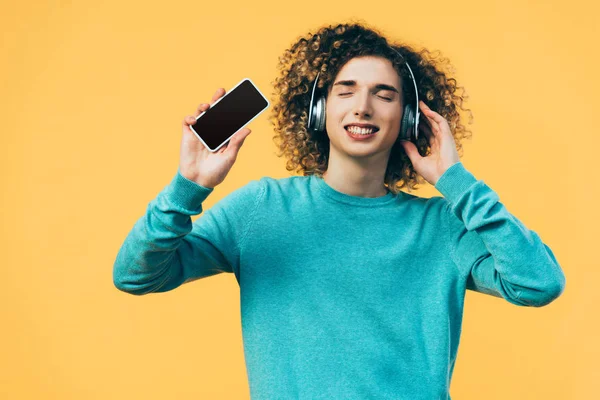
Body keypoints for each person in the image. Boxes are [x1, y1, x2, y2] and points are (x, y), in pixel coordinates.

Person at [113, 20, 566, 400]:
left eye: (384, 94)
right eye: (345, 91)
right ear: (317, 109)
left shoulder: (442, 228)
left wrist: (456, 181)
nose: (363, 106)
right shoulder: (262, 209)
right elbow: (136, 275)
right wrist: (186, 188)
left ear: (408, 118)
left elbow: (539, 283)